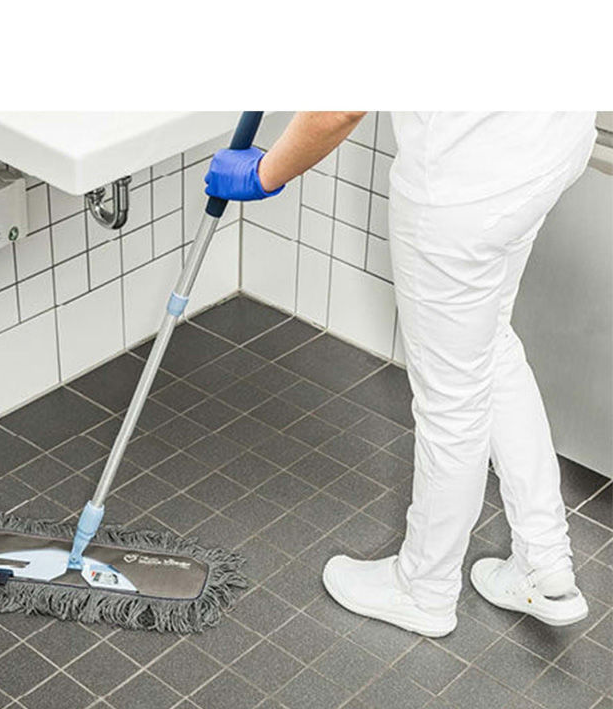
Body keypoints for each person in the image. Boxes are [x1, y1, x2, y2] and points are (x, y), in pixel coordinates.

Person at [205, 111, 597, 637]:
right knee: (488, 344)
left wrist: (264, 173)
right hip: (543, 150)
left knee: (450, 400)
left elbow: (338, 109)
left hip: (466, 183)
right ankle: (544, 559)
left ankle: (423, 589)